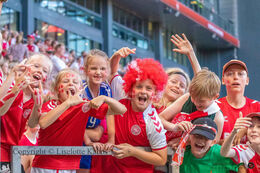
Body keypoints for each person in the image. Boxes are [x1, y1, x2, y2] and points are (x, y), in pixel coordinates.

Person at [31, 68, 126, 173]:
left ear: (80, 89)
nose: (71, 84)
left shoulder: (83, 106)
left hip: (70, 166)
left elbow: (122, 110)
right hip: (45, 165)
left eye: (75, 82)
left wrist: (105, 98)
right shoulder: (50, 104)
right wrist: (68, 103)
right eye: (66, 81)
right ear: (57, 88)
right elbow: (43, 123)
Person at [96, 58, 168, 173]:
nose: (143, 91)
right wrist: (111, 137)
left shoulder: (153, 122)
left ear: (154, 93)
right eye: (139, 86)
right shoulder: (122, 97)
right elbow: (113, 72)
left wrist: (133, 151)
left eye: (148, 88)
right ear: (131, 88)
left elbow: (162, 158)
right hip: (111, 168)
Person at [0, 53, 53, 172]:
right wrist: (16, 89)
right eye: (36, 66)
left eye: (44, 70)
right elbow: (1, 111)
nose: (40, 71)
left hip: (15, 151)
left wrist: (37, 105)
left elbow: (32, 124)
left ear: (46, 77)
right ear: (25, 67)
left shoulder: (38, 96)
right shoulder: (11, 85)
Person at [160, 68, 224, 143]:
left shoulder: (218, 117)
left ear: (215, 97)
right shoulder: (187, 98)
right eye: (193, 97)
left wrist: (186, 141)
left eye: (201, 101)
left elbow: (213, 144)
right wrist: (174, 127)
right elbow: (160, 118)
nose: (196, 102)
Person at [78, 49, 114, 173]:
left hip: (89, 135)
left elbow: (110, 114)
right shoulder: (80, 89)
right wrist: (88, 141)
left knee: (86, 168)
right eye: (94, 68)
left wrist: (111, 140)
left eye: (103, 69)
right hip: (77, 137)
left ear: (108, 71)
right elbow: (76, 120)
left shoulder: (106, 89)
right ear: (86, 70)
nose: (98, 72)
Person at [217, 60, 260, 144]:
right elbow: (207, 144)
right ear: (223, 80)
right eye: (230, 74)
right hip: (221, 157)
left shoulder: (257, 106)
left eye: (240, 74)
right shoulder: (215, 107)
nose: (235, 77)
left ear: (247, 80)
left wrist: (246, 130)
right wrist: (232, 138)